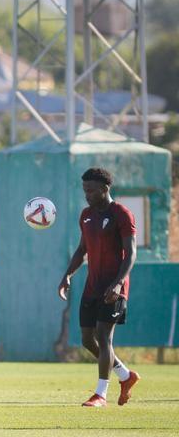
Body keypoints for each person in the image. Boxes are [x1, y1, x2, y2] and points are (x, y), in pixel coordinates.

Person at [58, 167, 140, 407]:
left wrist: (117, 284)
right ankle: (126, 376)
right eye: (85, 190)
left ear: (105, 188)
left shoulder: (121, 214)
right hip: (92, 287)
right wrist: (67, 275)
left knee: (104, 336)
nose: (87, 194)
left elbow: (131, 254)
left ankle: (101, 394)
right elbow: (82, 249)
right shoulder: (86, 215)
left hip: (114, 288)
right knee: (86, 339)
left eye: (91, 190)